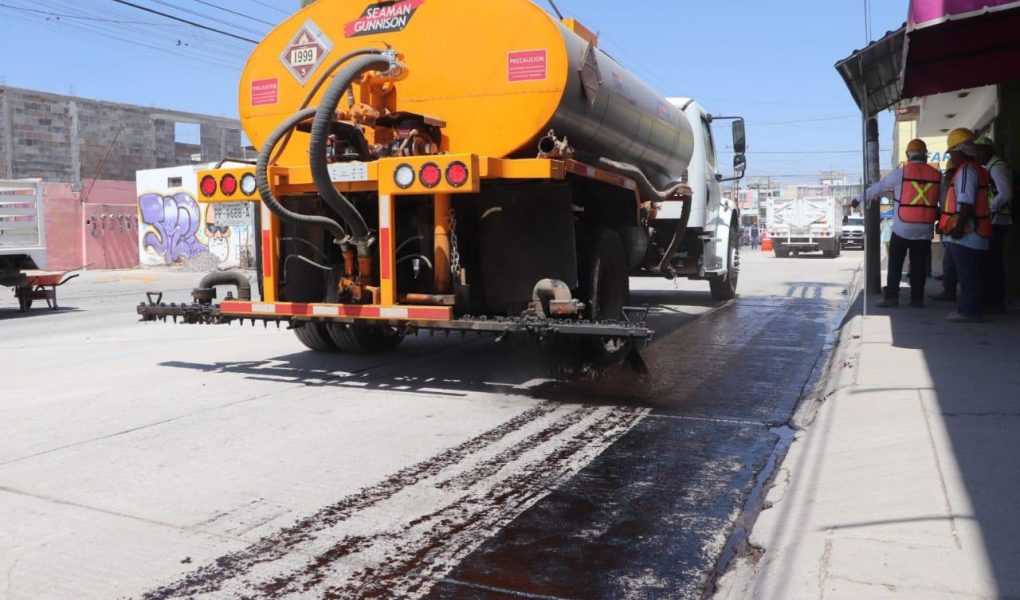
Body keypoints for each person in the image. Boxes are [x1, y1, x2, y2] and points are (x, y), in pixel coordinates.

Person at [852, 139, 940, 308]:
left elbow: (878, 188)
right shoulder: (937, 175)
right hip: (925, 229)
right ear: (925, 155)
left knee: (895, 264)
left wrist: (858, 198)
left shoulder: (901, 173)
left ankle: (891, 297)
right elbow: (944, 201)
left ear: (908, 155)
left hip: (902, 228)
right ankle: (917, 299)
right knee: (919, 266)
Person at [938, 128, 992, 323]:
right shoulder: (979, 169)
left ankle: (969, 311)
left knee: (968, 275)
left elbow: (966, 203)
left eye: (952, 152)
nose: (951, 157)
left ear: (960, 150)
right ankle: (973, 308)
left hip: (969, 232)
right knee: (974, 273)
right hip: (979, 230)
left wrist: (959, 228)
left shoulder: (967, 170)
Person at [972, 135, 1013, 312]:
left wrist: (990, 208)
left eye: (979, 151)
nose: (976, 155)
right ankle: (991, 300)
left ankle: (995, 302)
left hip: (998, 220)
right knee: (990, 261)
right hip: (994, 219)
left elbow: (1006, 193)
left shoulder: (997, 167)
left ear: (987, 151)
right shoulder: (989, 167)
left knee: (993, 262)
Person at [931, 160, 959, 302]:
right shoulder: (949, 184)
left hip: (954, 226)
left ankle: (949, 290)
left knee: (950, 260)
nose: (948, 175)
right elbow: (943, 205)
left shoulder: (956, 183)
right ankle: (949, 287)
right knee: (950, 259)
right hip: (948, 225)